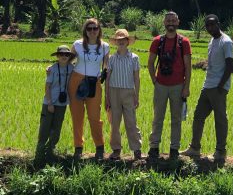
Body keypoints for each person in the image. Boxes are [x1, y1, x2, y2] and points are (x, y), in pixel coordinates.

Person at [181, 14, 233, 163]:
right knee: (198, 116)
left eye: (212, 25)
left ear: (218, 24)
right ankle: (195, 147)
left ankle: (220, 151)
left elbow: (230, 66)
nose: (210, 28)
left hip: (218, 87)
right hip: (208, 85)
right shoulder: (212, 40)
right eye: (208, 26)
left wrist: (220, 86)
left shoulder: (226, 42)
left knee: (220, 119)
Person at [147, 11, 192, 159]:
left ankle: (174, 148)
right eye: (168, 21)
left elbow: (188, 66)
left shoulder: (184, 42)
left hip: (178, 86)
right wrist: (154, 80)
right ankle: (154, 147)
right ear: (164, 23)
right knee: (157, 117)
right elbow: (150, 62)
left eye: (173, 20)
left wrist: (186, 87)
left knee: (176, 119)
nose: (171, 23)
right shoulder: (157, 41)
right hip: (161, 85)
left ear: (178, 22)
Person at [68, 18, 109, 161]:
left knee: (94, 117)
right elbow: (68, 62)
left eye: (95, 28)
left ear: (99, 30)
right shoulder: (77, 44)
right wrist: (54, 69)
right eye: (89, 28)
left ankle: (100, 147)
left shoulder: (105, 47)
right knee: (77, 116)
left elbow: (106, 66)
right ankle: (78, 147)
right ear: (85, 30)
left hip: (94, 82)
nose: (92, 31)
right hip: (77, 80)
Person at [34, 45, 75, 167]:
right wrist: (50, 103)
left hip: (62, 104)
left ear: (69, 57)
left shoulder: (72, 68)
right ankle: (39, 156)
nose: (64, 56)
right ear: (57, 56)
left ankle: (50, 153)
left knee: (56, 130)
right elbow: (47, 87)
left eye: (66, 54)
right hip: (49, 103)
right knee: (44, 130)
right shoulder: (52, 69)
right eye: (61, 54)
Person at [105, 29, 142, 160]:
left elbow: (137, 78)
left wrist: (136, 95)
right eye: (118, 40)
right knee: (115, 122)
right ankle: (116, 149)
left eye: (123, 40)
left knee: (131, 121)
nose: (120, 42)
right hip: (114, 91)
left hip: (128, 92)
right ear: (115, 42)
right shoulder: (111, 59)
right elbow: (108, 79)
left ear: (127, 42)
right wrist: (107, 97)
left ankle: (136, 149)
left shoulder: (134, 58)